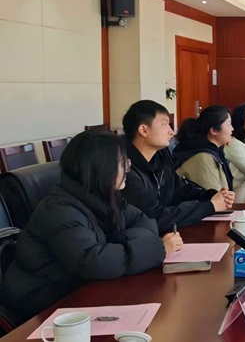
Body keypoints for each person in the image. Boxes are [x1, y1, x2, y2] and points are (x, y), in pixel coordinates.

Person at [1, 131, 179, 321]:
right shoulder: (60, 210)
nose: (128, 169)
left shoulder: (104, 196)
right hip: (42, 308)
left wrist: (118, 245)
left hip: (80, 293)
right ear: (101, 168)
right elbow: (94, 262)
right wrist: (157, 248)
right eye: (122, 164)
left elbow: (143, 221)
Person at [121, 100, 234, 235]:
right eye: (165, 125)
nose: (171, 132)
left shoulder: (160, 158)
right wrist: (209, 206)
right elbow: (153, 217)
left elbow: (181, 190)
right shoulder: (124, 171)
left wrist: (211, 196)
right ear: (144, 130)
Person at [174, 106, 237, 193]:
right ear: (214, 130)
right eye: (229, 125)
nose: (232, 129)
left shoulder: (214, 151)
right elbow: (214, 197)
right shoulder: (203, 158)